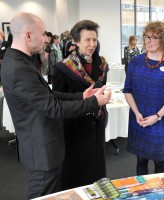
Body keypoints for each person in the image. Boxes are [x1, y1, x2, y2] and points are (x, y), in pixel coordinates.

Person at [1, 12, 111, 199]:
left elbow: (47, 95)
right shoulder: (19, 67)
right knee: (44, 195)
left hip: (44, 145)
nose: (46, 39)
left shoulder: (18, 61)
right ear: (28, 35)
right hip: (42, 149)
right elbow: (53, 108)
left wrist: (81, 96)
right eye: (43, 33)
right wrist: (93, 102)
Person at [52, 20, 109, 190]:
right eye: (87, 40)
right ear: (76, 42)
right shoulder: (63, 68)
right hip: (75, 128)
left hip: (97, 124)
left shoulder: (102, 64)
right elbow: (58, 100)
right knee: (77, 174)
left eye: (94, 40)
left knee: (97, 172)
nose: (92, 44)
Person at [123, 21, 164, 175]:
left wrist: (157, 116)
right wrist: (136, 112)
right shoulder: (135, 62)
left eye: (154, 37)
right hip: (139, 118)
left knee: (160, 162)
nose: (148, 41)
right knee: (140, 161)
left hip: (161, 120)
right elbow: (127, 90)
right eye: (146, 37)